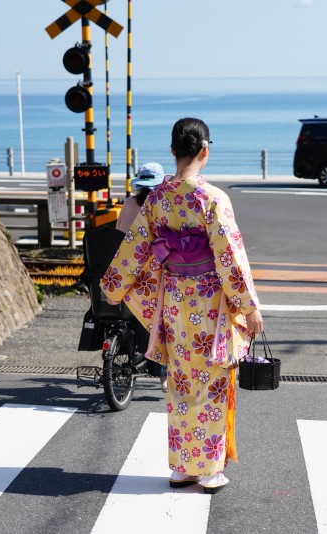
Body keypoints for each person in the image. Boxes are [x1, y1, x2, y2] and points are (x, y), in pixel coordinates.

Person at [102, 118, 263, 494]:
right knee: (214, 382)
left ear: (173, 150)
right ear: (204, 150)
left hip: (175, 301)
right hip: (211, 304)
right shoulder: (213, 199)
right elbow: (229, 256)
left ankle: (181, 467)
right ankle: (209, 470)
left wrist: (114, 285)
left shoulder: (157, 197)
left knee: (181, 384)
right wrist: (249, 306)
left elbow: (136, 246)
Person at [116, 162, 169, 392]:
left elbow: (118, 234)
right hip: (151, 278)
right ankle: (162, 374)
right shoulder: (159, 204)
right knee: (163, 318)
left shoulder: (128, 203)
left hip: (125, 273)